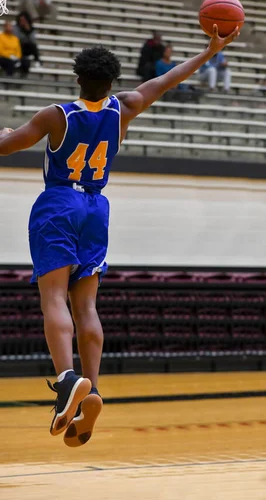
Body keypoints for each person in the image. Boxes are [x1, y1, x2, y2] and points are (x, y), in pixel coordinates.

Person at [0, 24, 239, 447]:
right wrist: (209, 50)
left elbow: (6, 147)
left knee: (53, 298)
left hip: (59, 202)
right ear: (112, 81)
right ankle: (90, 387)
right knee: (86, 304)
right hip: (96, 206)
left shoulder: (55, 115)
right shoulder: (125, 106)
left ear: (78, 78)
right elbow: (168, 78)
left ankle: (66, 379)